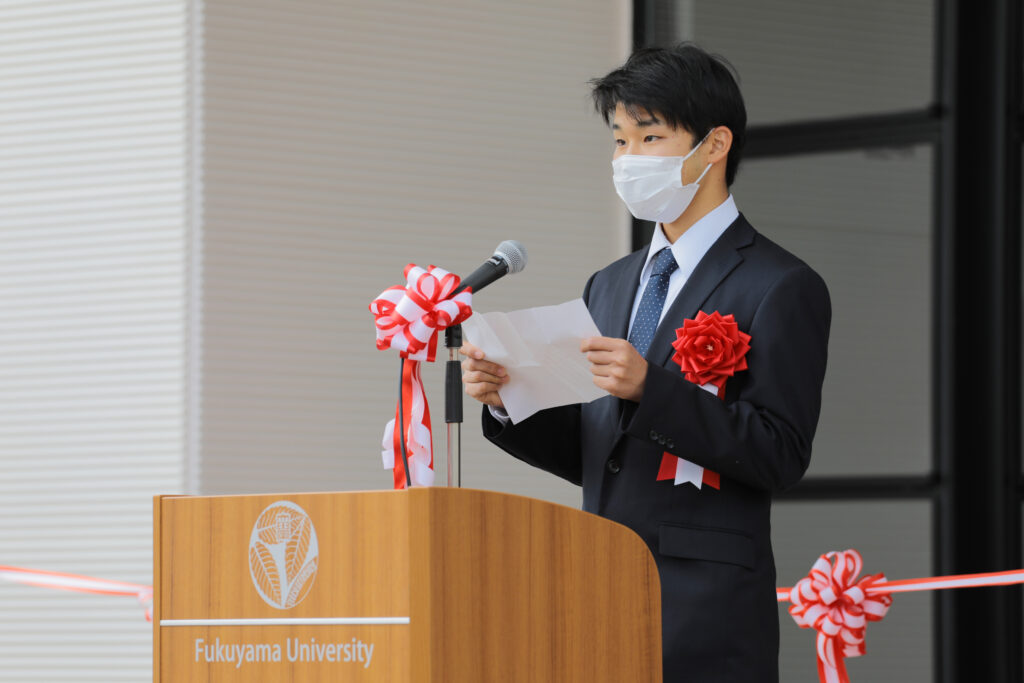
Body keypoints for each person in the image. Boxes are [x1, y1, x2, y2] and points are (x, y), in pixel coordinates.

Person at [461, 43, 830, 682]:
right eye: (619, 141)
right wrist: (509, 401)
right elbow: (602, 453)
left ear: (715, 146)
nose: (628, 159)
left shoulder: (780, 284)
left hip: (705, 607)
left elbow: (780, 453)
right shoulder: (610, 282)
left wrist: (651, 390)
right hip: (598, 589)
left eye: (650, 137)